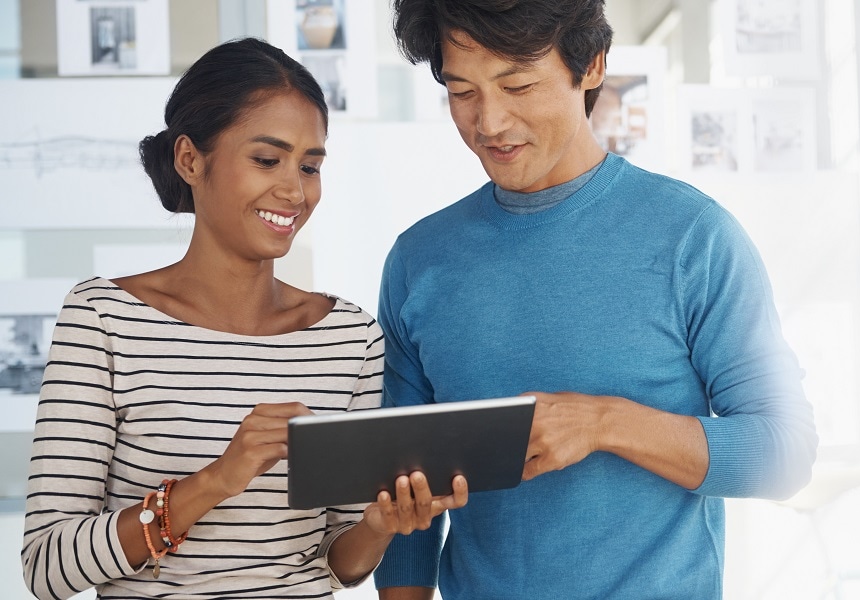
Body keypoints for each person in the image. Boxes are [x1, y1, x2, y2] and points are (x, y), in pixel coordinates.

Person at [375, 1, 818, 598]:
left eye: (518, 85)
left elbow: (783, 453)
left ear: (592, 66)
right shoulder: (418, 262)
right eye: (462, 92)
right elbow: (405, 511)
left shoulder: (693, 237)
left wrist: (605, 423)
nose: (490, 122)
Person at [21, 37, 467, 600]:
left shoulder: (348, 337)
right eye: (266, 159)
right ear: (190, 159)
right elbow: (47, 567)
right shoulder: (104, 321)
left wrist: (379, 527)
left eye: (309, 166)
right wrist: (216, 480)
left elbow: (338, 565)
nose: (294, 189)